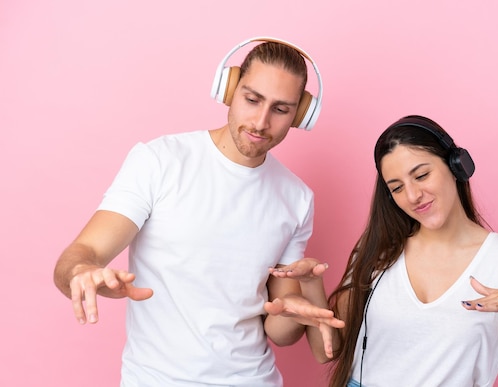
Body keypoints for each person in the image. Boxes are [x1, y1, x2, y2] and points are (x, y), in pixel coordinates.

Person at [53, 37, 343, 386]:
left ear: (299, 115)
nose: (261, 121)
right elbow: (78, 258)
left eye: (281, 109)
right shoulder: (159, 161)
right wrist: (83, 270)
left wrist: (297, 310)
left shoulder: (297, 198)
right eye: (252, 99)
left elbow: (280, 329)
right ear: (229, 90)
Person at [321, 115, 498, 386]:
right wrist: (310, 285)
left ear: (456, 166)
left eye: (422, 175)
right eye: (398, 188)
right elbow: (330, 348)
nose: (413, 195)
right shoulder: (377, 252)